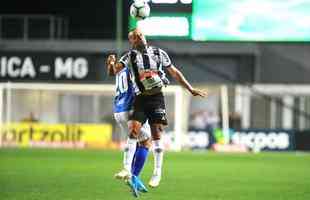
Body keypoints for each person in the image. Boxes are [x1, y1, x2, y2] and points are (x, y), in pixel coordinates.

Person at [106, 28, 206, 195]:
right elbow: (114, 71)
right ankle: (127, 170)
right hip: (139, 99)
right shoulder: (129, 56)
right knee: (135, 132)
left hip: (156, 99)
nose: (138, 37)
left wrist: (190, 89)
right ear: (132, 42)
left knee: (156, 135)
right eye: (134, 37)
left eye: (140, 34)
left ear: (144, 37)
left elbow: (174, 72)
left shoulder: (159, 53)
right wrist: (110, 64)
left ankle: (156, 173)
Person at [107, 57, 162, 196]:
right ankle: (133, 176)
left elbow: (111, 72)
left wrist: (111, 63)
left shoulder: (119, 70)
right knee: (146, 142)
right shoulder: (134, 68)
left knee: (137, 141)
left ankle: (131, 175)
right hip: (129, 109)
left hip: (118, 111)